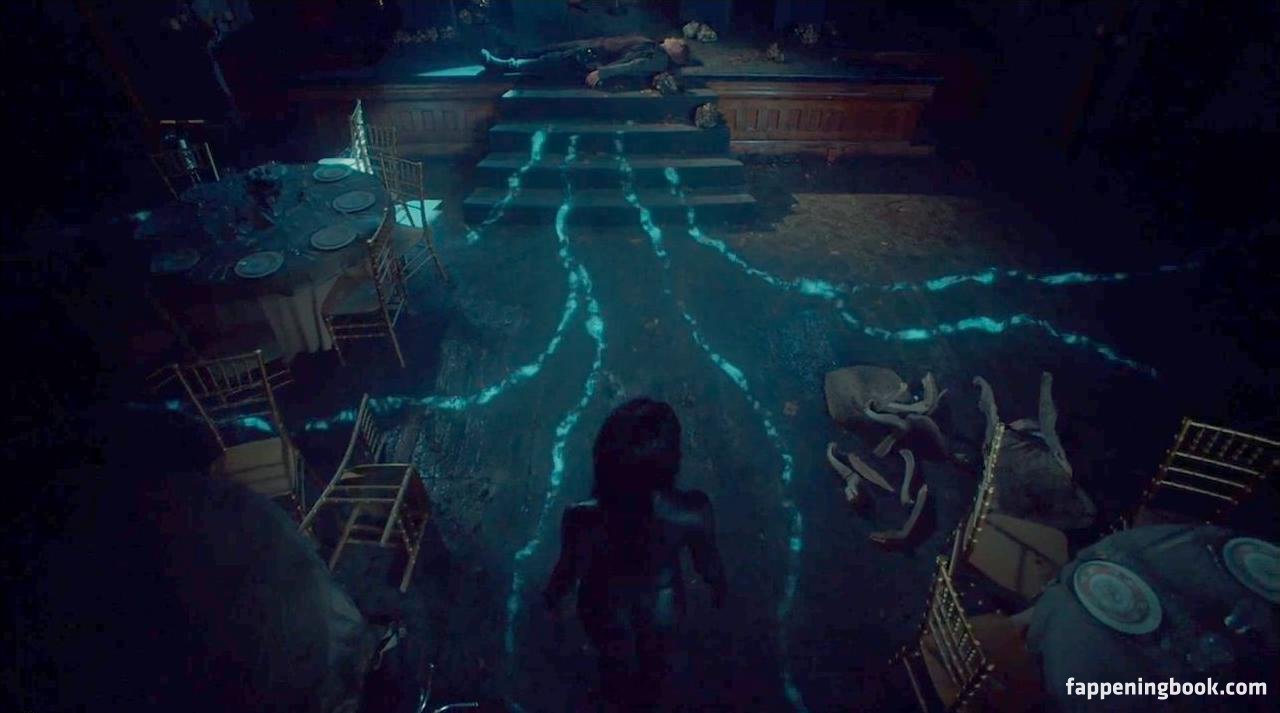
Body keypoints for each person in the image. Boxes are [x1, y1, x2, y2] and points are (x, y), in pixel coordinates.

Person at [542, 398, 727, 708]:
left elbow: (567, 571)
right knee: (656, 665)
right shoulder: (692, 511)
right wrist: (718, 587)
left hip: (603, 608)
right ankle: (647, 695)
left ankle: (616, 693)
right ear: (672, 460)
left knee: (611, 660)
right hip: (662, 608)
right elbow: (708, 565)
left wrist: (552, 597)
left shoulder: (581, 516)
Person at [480, 35, 691, 87]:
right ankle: (513, 57)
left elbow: (633, 65)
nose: (674, 38)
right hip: (595, 48)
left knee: (552, 60)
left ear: (677, 52)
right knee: (552, 50)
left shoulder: (659, 59)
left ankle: (507, 65)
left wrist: (602, 72)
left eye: (678, 42)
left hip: (594, 60)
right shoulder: (654, 46)